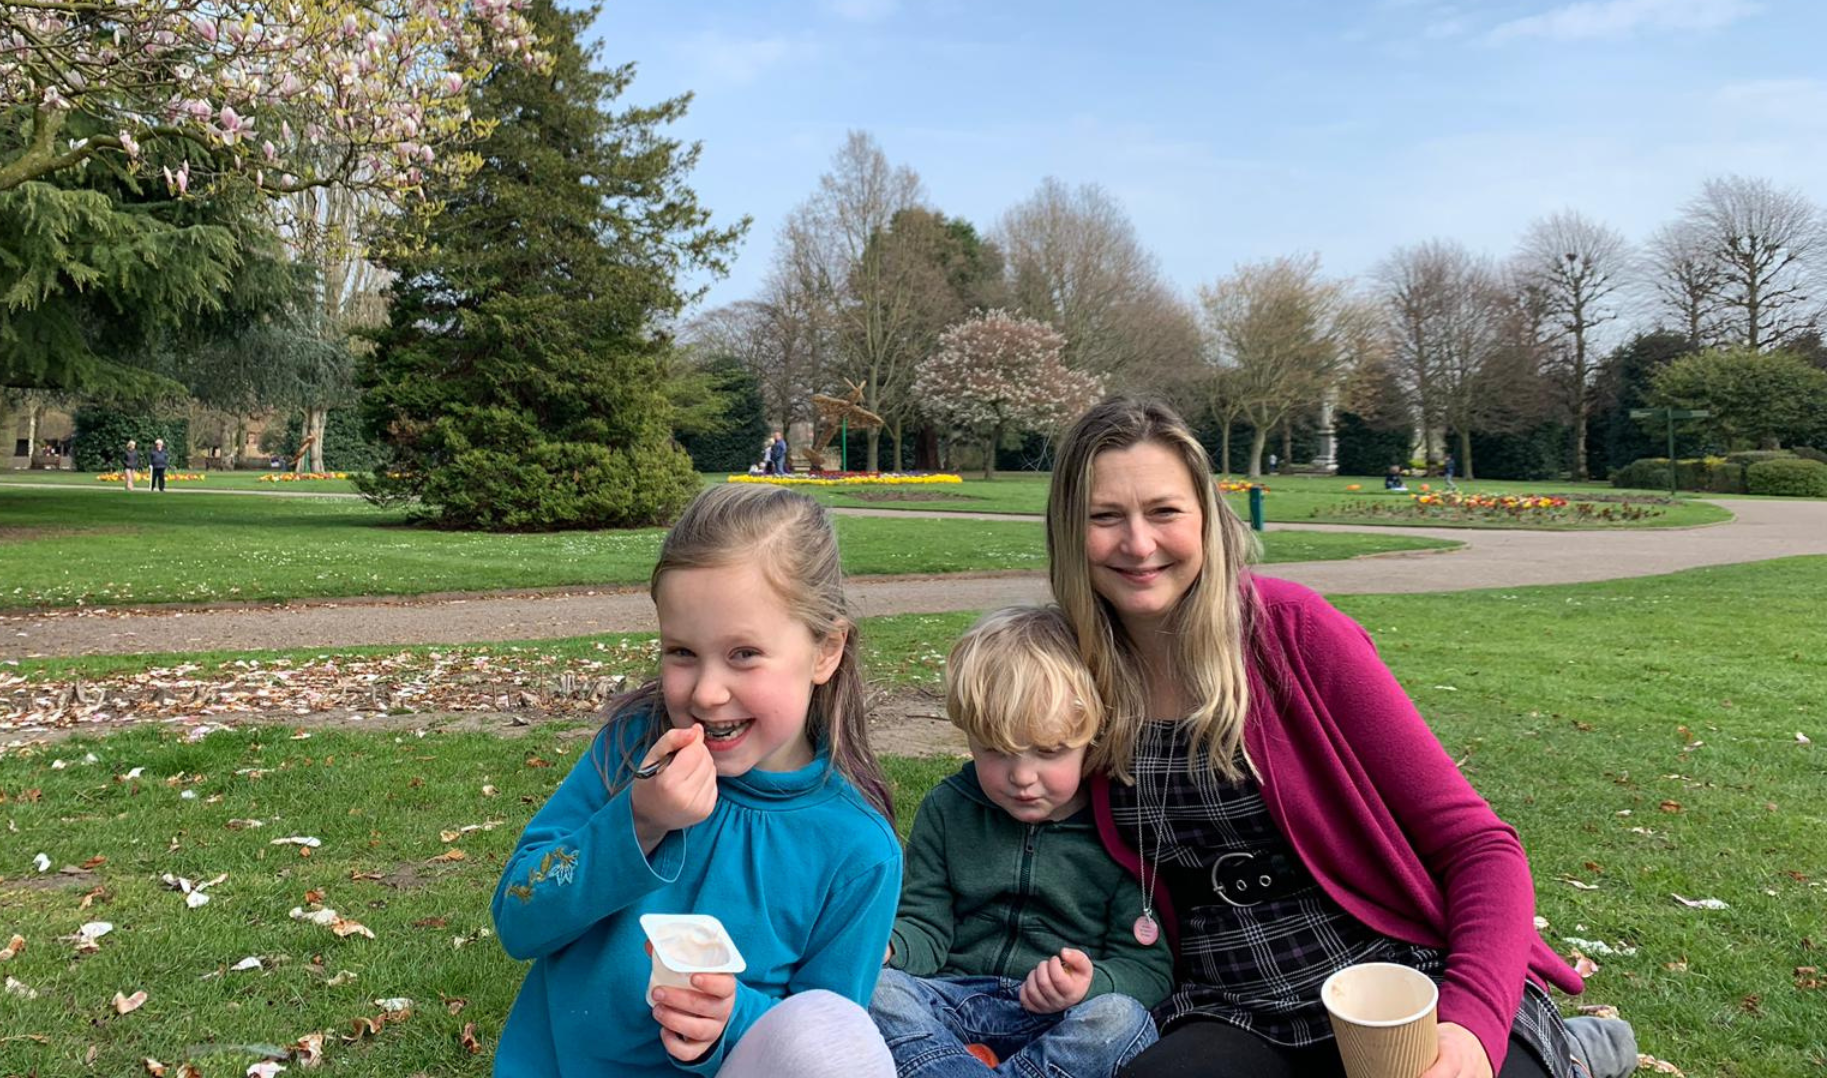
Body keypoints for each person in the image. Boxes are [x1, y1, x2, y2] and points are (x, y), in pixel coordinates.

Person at [1043, 398, 1636, 1078]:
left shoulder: (1292, 634)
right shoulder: (1066, 668)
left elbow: (1480, 847)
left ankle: (1567, 1053)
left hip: (1397, 969)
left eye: (1164, 511)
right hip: (1229, 997)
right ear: (1069, 528)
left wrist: (1471, 1026)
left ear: (1206, 518)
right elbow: (998, 798)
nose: (1139, 544)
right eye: (1104, 517)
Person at [491, 483, 903, 1077]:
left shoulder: (857, 851)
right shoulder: (631, 753)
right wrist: (638, 821)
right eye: (682, 652)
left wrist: (729, 1020)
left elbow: (828, 1039)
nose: (707, 692)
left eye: (743, 654)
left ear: (825, 651)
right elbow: (519, 917)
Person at [872, 605, 1169, 1077]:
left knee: (1121, 1020)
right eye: (997, 750)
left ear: (1091, 739)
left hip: (1058, 1018)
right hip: (954, 1001)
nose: (1023, 778)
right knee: (875, 990)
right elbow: (924, 926)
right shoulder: (948, 809)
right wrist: (888, 947)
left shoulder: (1122, 826)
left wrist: (1089, 984)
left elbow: (1147, 969)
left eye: (1049, 752)